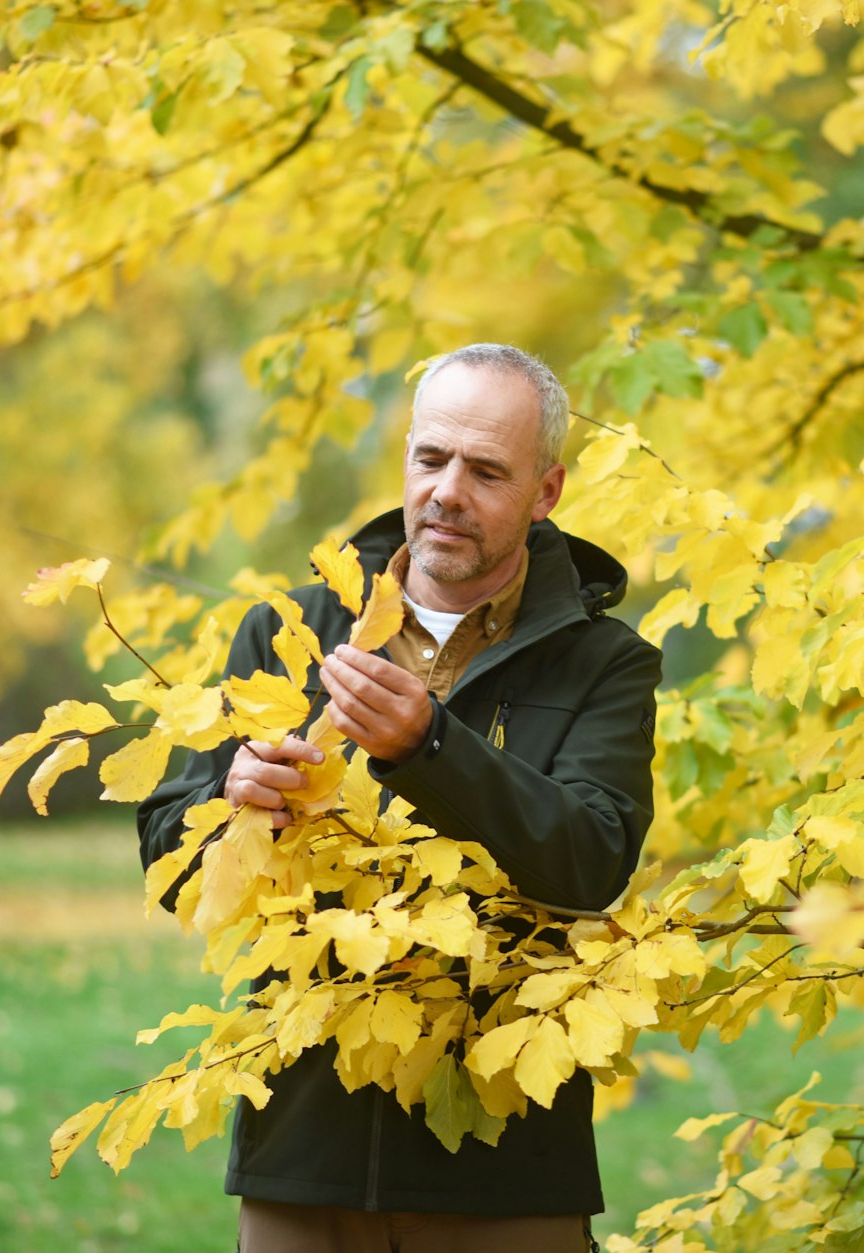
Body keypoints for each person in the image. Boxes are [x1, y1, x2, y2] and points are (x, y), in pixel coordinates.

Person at [137, 343, 662, 1253]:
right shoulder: (288, 631)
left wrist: (431, 748)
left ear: (546, 491)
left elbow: (592, 859)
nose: (448, 491)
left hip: (506, 1169)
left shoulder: (606, 660)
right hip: (302, 1151)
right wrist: (226, 805)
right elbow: (171, 859)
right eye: (431, 458)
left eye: (487, 470)